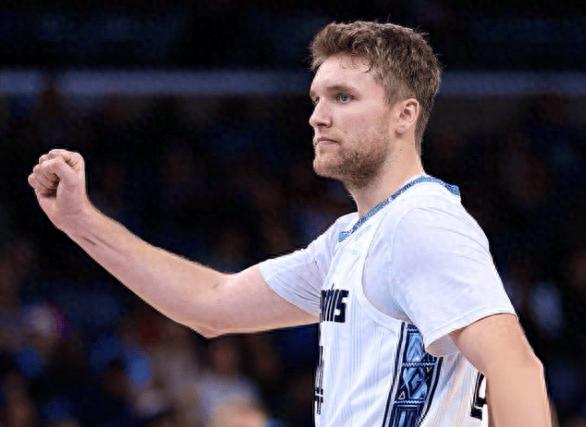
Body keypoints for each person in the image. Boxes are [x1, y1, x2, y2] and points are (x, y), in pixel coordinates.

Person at [27, 21, 551, 427]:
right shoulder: (349, 238)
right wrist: (80, 221)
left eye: (343, 97)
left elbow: (517, 368)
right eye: (316, 99)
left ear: (404, 115)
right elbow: (211, 304)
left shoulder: (423, 223)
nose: (318, 116)